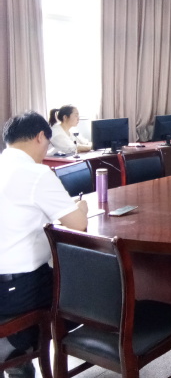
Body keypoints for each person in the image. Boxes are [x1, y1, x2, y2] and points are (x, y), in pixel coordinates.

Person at [0, 112, 88, 377]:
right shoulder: (35, 173)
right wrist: (81, 208)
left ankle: (18, 350)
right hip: (19, 289)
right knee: (84, 288)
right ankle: (16, 345)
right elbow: (78, 225)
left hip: (6, 285)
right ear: (40, 137)